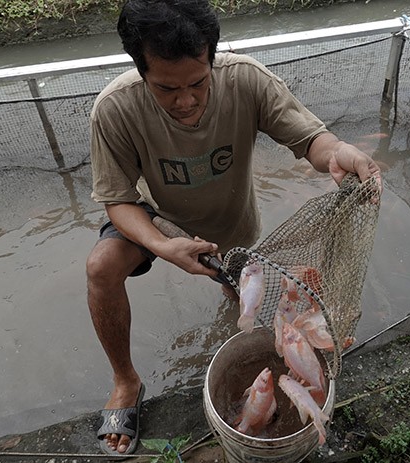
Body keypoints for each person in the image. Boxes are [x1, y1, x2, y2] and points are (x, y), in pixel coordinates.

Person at [86, 0, 381, 455]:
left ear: (212, 58)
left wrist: (338, 152)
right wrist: (163, 246)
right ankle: (125, 381)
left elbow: (310, 140)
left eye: (198, 83)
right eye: (167, 88)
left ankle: (235, 324)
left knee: (240, 302)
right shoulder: (115, 109)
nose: (185, 100)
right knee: (102, 266)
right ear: (141, 70)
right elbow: (118, 199)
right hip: (158, 221)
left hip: (232, 226)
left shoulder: (246, 80)